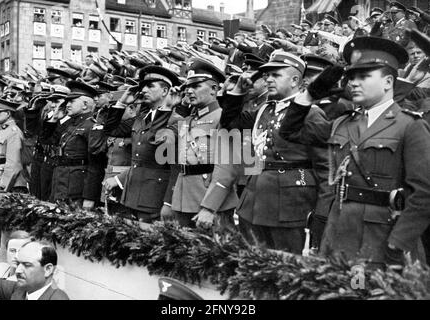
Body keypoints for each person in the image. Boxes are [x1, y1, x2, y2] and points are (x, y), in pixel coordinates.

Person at [279, 36, 430, 267]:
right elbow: (290, 131)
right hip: (339, 234)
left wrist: (398, 243)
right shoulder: (343, 123)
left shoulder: (410, 125)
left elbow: (424, 194)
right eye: (351, 77)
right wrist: (309, 95)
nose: (354, 83)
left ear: (388, 82)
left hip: (382, 240)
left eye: (364, 76)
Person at [219, 51, 331, 253]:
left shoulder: (311, 114)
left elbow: (325, 168)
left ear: (295, 80)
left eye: (276, 75)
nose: (268, 79)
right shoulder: (264, 109)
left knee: (286, 268)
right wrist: (237, 93)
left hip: (290, 206)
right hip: (253, 203)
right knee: (250, 265)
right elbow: (230, 125)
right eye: (266, 75)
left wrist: (321, 214)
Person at [162, 58, 238, 228]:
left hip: (211, 201)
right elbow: (164, 146)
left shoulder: (223, 118)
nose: (189, 91)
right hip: (184, 199)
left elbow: (227, 169)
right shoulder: (188, 120)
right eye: (187, 87)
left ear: (214, 89)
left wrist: (209, 207)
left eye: (196, 86)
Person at [103, 66, 181, 222]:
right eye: (143, 86)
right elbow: (111, 129)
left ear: (165, 91)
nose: (144, 90)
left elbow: (173, 165)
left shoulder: (176, 120)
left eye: (150, 86)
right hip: (133, 194)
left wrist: (168, 201)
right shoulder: (142, 117)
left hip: (155, 195)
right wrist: (121, 103)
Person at [49, 81, 105, 209]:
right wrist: (54, 119)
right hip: (61, 185)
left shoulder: (92, 126)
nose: (67, 105)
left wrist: (90, 197)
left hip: (77, 190)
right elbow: (48, 139)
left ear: (85, 104)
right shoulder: (72, 123)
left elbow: (95, 165)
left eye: (71, 101)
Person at [0, 241, 69, 300]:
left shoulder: (58, 298)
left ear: (48, 269)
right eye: (18, 263)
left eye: (27, 265)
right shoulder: (20, 289)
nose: (18, 270)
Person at [0, 98, 28, 192]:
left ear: (8, 114)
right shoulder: (4, 130)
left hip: (12, 185)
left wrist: (3, 188)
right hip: (0, 179)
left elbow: (14, 164)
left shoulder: (13, 132)